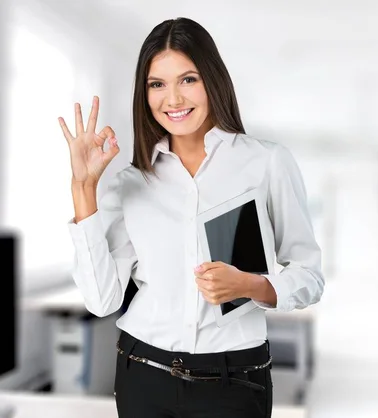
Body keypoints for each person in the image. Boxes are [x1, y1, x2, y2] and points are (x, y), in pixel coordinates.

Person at [58, 17, 324, 418]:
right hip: (143, 373)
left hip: (235, 380)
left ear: (212, 79)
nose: (174, 100)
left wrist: (250, 284)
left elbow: (309, 277)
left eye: (188, 79)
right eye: (157, 84)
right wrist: (83, 189)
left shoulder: (265, 163)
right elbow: (101, 300)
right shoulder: (132, 182)